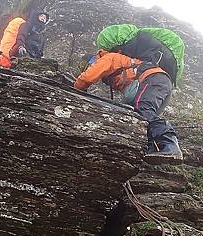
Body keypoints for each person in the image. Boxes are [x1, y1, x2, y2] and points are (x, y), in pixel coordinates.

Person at [73, 26, 183, 164]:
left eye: (88, 65)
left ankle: (170, 145)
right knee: (141, 116)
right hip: (159, 82)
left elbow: (87, 78)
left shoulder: (110, 57)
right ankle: (154, 149)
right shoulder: (124, 61)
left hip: (153, 78)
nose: (88, 67)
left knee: (143, 110)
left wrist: (76, 89)